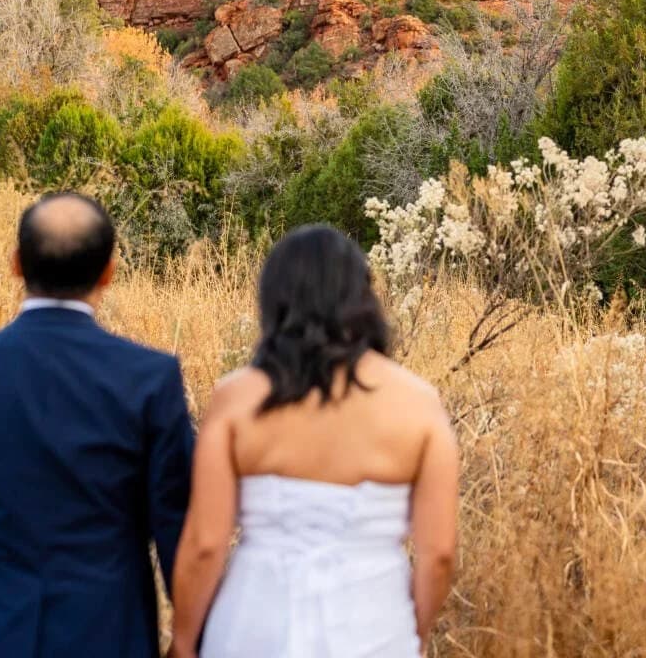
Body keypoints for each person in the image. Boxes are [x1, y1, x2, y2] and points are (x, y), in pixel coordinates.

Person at [0, 192, 195, 658]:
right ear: (109, 272)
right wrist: (192, 638)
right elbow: (176, 530)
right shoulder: (150, 380)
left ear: (15, 264)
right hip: (110, 636)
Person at [170, 224, 460, 658]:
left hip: (253, 628)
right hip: (374, 630)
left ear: (275, 300)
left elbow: (206, 544)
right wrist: (410, 635)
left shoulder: (237, 396)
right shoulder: (419, 403)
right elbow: (439, 554)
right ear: (364, 299)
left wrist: (184, 641)